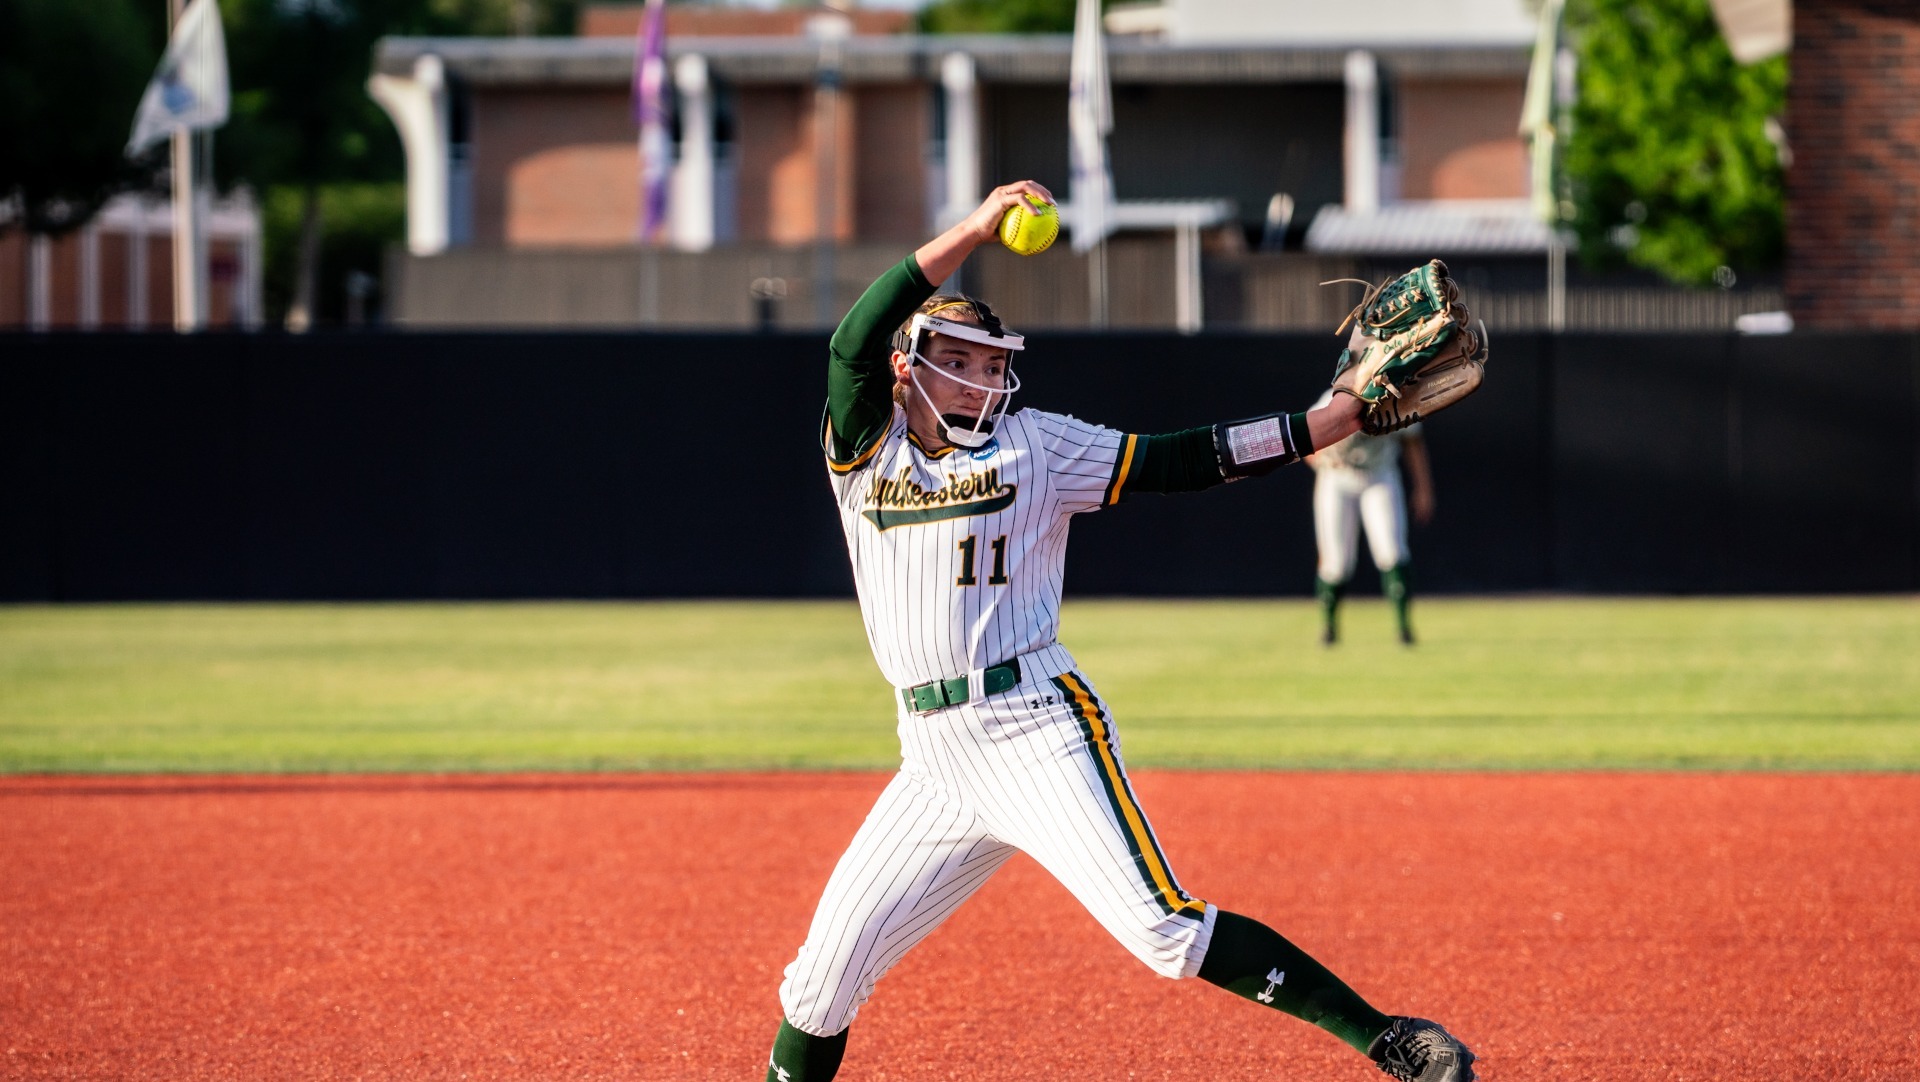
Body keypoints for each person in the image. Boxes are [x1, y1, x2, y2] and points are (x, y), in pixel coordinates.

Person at [764, 180, 1477, 1082]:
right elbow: (854, 336)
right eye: (963, 360)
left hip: (1032, 727)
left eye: (994, 364)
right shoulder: (868, 453)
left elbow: (1189, 458)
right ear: (910, 368)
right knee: (818, 987)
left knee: (1162, 929)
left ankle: (1390, 1041)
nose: (985, 378)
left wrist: (1323, 421)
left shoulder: (1035, 446)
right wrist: (979, 227)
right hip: (931, 759)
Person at [1305, 392, 1436, 646]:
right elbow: (1306, 440)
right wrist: (1319, 461)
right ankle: (1328, 629)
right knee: (1336, 563)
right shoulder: (1335, 400)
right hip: (1337, 476)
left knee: (1392, 551)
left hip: (1379, 474)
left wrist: (1423, 488)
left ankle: (1404, 629)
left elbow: (1413, 442)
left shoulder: (1397, 399)